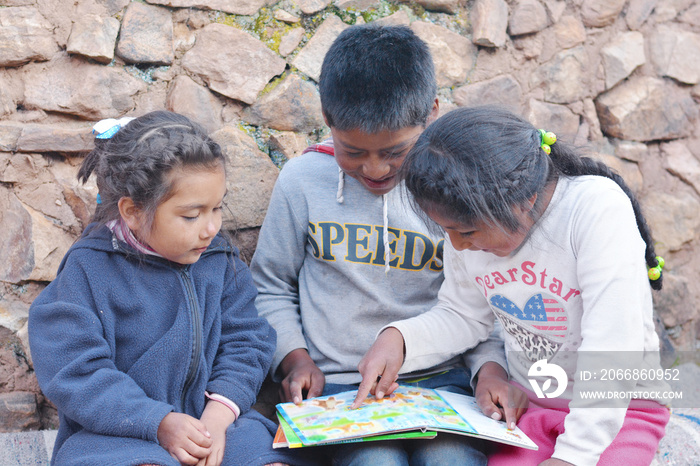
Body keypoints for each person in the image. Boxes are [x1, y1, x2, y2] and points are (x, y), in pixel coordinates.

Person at [250, 25, 525, 466]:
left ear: (431, 114)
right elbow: (270, 285)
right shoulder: (302, 182)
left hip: (443, 385)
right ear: (328, 119)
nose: (374, 168)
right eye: (353, 151)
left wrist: (488, 369)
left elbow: (482, 298)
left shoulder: (451, 190)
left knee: (451, 460)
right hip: (340, 389)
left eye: (395, 151)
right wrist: (294, 360)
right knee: (376, 461)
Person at [356, 106, 671, 465]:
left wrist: (573, 456)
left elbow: (614, 342)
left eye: (467, 231)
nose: (456, 245)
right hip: (531, 406)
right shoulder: (467, 230)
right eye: (447, 231)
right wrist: (398, 338)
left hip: (622, 412)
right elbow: (463, 315)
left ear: (526, 200)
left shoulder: (594, 210)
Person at [28, 111, 312, 466]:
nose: (210, 228)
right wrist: (157, 422)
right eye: (192, 216)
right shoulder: (88, 269)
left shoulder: (219, 261)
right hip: (120, 435)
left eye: (217, 208)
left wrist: (220, 414)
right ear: (132, 211)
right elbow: (75, 369)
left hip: (214, 425)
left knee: (272, 459)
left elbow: (247, 341)